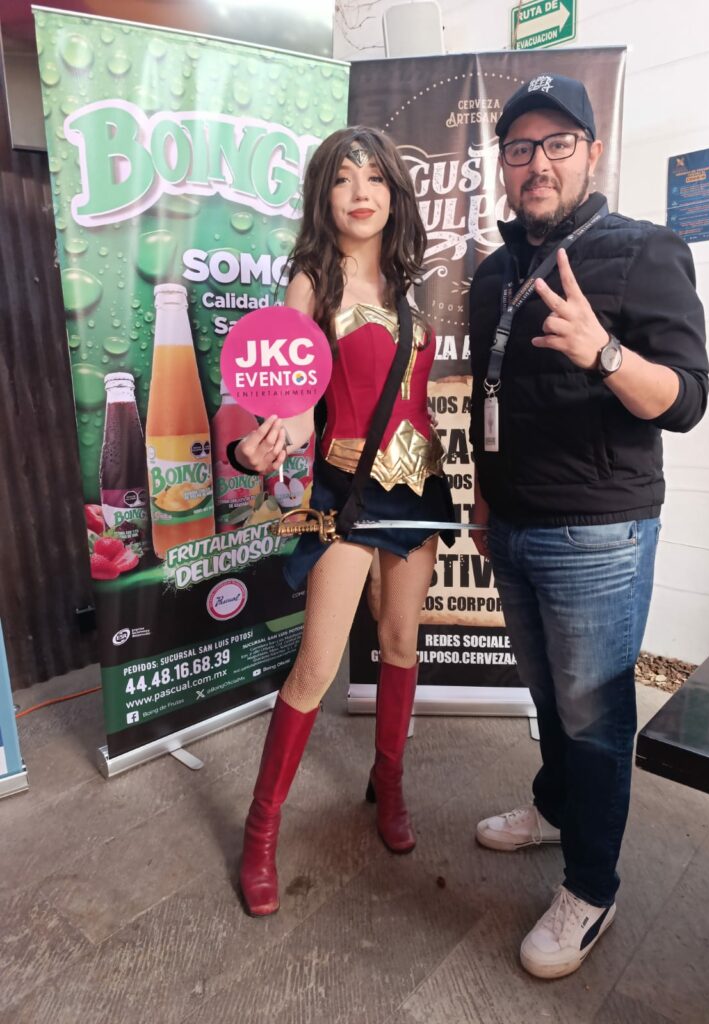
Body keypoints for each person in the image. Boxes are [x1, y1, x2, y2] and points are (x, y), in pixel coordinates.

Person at [468, 73, 709, 979]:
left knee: (596, 718)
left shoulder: (644, 251)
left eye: (556, 144)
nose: (537, 163)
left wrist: (603, 353)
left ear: (592, 153)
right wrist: (485, 502)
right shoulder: (491, 273)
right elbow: (489, 397)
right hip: (512, 527)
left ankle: (591, 886)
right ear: (503, 163)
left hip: (599, 538)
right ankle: (554, 809)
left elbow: (685, 400)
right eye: (519, 147)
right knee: (547, 699)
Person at [229, 126, 455, 917]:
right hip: (347, 496)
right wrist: (260, 445)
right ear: (322, 196)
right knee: (317, 669)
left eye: (375, 177)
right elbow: (289, 405)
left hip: (418, 491)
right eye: (343, 178)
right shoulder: (309, 283)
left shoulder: (406, 282)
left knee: (401, 643)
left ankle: (386, 785)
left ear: (394, 192)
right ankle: (260, 832)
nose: (360, 191)